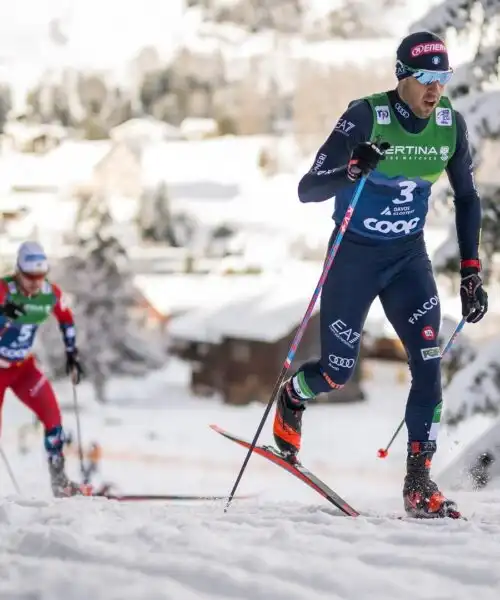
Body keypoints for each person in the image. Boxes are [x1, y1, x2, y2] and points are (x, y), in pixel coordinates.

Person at [273, 31, 488, 518]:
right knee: (336, 372)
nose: (435, 89)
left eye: (443, 78)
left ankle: (418, 483)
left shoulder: (450, 125)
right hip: (353, 257)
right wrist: (350, 170)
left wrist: (471, 273)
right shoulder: (367, 115)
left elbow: (468, 199)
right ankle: (294, 394)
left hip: (406, 260)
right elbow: (308, 189)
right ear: (402, 77)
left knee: (428, 366)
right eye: (425, 78)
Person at [0, 241, 87, 497]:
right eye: (29, 277)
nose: (36, 283)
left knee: (52, 415)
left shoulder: (50, 294)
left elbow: (66, 318)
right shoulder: (4, 290)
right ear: (18, 271)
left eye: (40, 276)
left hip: (23, 368)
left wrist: (72, 354)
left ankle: (59, 482)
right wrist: (3, 312)